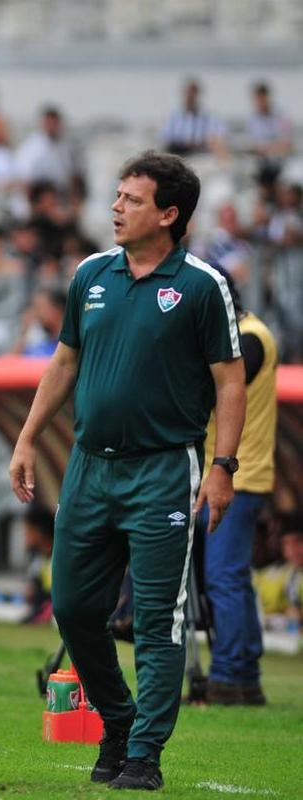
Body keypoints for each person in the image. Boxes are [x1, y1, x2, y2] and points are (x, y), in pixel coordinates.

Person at [8, 151, 245, 791]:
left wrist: (223, 466)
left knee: (157, 620)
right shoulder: (90, 275)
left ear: (169, 214)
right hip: (89, 469)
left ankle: (143, 756)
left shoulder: (201, 285)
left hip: (164, 472)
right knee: (74, 608)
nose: (115, 208)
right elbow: (63, 364)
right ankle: (118, 717)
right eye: (116, 196)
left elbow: (231, 380)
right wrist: (28, 439)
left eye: (131, 200)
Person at [199, 275, 277, 705]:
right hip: (240, 474)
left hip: (236, 475)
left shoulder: (249, 339)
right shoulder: (252, 332)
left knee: (223, 578)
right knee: (231, 578)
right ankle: (243, 674)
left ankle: (229, 674)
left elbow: (216, 388)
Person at [15, 106, 82, 193]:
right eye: (49, 123)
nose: (51, 127)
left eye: (54, 124)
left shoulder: (65, 146)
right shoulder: (32, 146)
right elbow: (23, 177)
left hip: (60, 193)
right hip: (39, 194)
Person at [160, 78, 228, 158]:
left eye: (192, 94)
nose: (189, 97)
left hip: (201, 153)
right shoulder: (173, 116)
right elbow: (165, 137)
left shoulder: (209, 116)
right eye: (188, 94)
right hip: (179, 152)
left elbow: (218, 136)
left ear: (197, 95)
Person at [11, 287, 67, 357]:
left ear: (57, 309)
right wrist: (24, 331)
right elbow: (11, 361)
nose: (35, 314)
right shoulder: (42, 344)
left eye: (39, 308)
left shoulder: (72, 344)